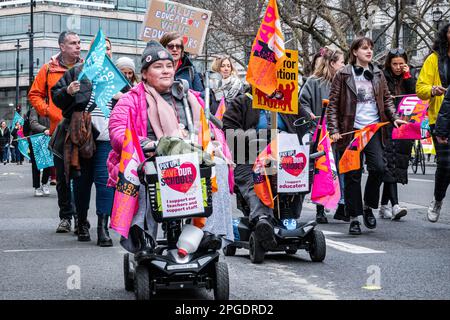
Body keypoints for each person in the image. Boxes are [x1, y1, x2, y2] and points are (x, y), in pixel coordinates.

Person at [108, 40, 221, 260]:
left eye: (168, 66)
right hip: (149, 157)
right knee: (144, 174)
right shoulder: (130, 100)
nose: (166, 71)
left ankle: (204, 232)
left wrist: (213, 140)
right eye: (158, 67)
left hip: (190, 156)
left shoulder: (189, 97)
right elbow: (118, 131)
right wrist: (145, 144)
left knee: (219, 167)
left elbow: (211, 128)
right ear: (145, 73)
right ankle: (143, 236)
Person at [327, 37, 405, 235]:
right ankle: (354, 217)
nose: (369, 51)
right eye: (364, 48)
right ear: (354, 52)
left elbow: (387, 99)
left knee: (379, 168)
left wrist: (394, 117)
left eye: (370, 48)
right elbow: (333, 105)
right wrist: (334, 130)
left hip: (373, 130)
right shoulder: (343, 75)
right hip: (351, 131)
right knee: (353, 174)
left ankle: (368, 206)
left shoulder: (378, 73)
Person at [223, 85, 305, 249]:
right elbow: (229, 130)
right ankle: (263, 221)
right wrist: (255, 138)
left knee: (301, 175)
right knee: (256, 183)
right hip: (250, 157)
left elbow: (304, 124)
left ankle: (289, 218)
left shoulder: (287, 100)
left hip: (284, 155)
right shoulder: (242, 102)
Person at [51, 36, 115, 247]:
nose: (105, 52)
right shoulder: (77, 72)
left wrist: (123, 98)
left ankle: (103, 227)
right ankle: (82, 223)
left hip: (106, 139)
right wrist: (67, 91)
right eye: (100, 49)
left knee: (105, 182)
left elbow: (132, 105)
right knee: (81, 183)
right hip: (82, 137)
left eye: (108, 49)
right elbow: (57, 98)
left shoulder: (117, 77)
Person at [28, 31, 81, 233]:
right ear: (62, 46)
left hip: (83, 130)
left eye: (79, 43)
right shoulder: (48, 69)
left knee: (80, 177)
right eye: (73, 43)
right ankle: (66, 217)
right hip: (59, 130)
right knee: (63, 178)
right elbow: (34, 95)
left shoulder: (85, 67)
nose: (77, 46)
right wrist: (50, 112)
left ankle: (80, 218)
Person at [299, 46, 346, 224]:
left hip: (341, 132)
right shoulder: (313, 82)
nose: (344, 65)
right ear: (333, 63)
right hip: (321, 133)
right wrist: (310, 115)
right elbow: (302, 102)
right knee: (322, 169)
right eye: (342, 62)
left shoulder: (344, 82)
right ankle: (320, 207)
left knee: (340, 168)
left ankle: (341, 203)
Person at [416, 24, 450, 223]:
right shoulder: (434, 59)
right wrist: (433, 90)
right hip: (441, 119)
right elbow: (420, 88)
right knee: (445, 164)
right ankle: (438, 200)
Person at [379, 48, 416, 220]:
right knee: (389, 163)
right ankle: (394, 205)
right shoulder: (381, 77)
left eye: (401, 64)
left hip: (404, 124)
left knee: (396, 164)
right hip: (386, 124)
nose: (398, 67)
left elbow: (416, 95)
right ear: (389, 64)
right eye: (395, 64)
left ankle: (384, 205)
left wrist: (408, 76)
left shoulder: (408, 76)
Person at [28, 107, 52, 197]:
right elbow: (33, 123)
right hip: (36, 139)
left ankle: (45, 183)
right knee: (36, 164)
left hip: (49, 138)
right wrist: (44, 129)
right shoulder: (35, 109)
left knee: (48, 162)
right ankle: (37, 187)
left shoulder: (52, 107)